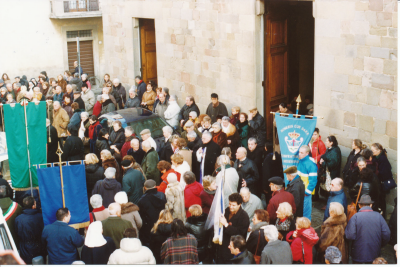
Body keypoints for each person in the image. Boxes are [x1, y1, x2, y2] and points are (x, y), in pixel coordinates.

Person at [345, 194, 391, 264]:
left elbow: (349, 236)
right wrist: (379, 244)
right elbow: (387, 234)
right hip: (374, 254)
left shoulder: (355, 217)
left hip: (358, 255)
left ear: (359, 205)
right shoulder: (379, 216)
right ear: (371, 205)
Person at [218, 193, 250, 263]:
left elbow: (240, 234)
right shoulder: (226, 211)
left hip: (233, 249)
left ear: (239, 204)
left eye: (233, 205)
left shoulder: (244, 217)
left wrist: (226, 225)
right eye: (229, 204)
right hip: (222, 247)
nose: (231, 207)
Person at [14, 196, 46, 264]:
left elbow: (16, 233)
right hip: (38, 247)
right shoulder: (40, 217)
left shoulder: (18, 219)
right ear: (33, 206)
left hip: (24, 248)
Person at [137, 179, 167, 247]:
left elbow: (141, 215)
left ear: (145, 188)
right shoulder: (162, 195)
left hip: (148, 227)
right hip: (161, 224)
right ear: (155, 186)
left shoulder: (142, 199)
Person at [371, 143, 394, 218]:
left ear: (379, 150)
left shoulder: (382, 159)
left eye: (373, 150)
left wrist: (376, 172)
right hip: (378, 183)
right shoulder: (377, 157)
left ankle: (382, 216)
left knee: (381, 200)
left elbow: (385, 172)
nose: (372, 152)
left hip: (381, 185)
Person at [297, 145, 318, 221]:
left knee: (306, 213)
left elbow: (313, 181)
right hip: (300, 191)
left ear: (307, 153)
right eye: (299, 152)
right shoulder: (301, 161)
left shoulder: (311, 165)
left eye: (302, 153)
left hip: (305, 193)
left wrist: (307, 192)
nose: (299, 154)